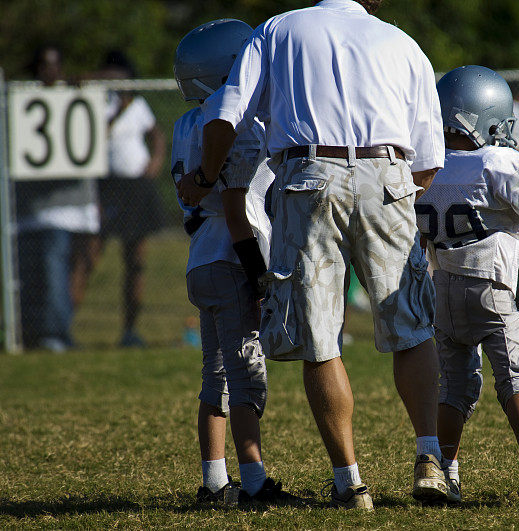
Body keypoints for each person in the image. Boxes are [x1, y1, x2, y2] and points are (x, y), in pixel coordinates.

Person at [177, 0, 447, 510]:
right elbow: (429, 162)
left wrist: (207, 177)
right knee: (412, 327)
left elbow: (223, 114)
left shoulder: (279, 28)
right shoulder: (403, 42)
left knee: (320, 339)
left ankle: (350, 483)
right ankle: (429, 458)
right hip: (390, 171)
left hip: (309, 176)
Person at [416, 65, 519, 502]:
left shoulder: (423, 167)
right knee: (514, 376)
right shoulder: (498, 161)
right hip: (491, 290)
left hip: (442, 291)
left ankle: (446, 472)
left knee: (455, 387)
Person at [172, 19, 295, 506]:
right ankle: (254, 482)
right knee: (247, 377)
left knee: (215, 377)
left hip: (200, 257)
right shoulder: (234, 127)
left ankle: (214, 480)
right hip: (230, 256)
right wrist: (258, 274)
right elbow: (237, 209)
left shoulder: (185, 123)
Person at [16, 45, 101, 352]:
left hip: (75, 205)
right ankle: (44, 334)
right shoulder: (21, 99)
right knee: (42, 276)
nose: (48, 72)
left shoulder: (78, 95)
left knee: (68, 271)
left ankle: (56, 332)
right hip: (39, 209)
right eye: (42, 65)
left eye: (54, 65)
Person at [95, 50, 166, 347]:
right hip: (107, 186)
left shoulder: (138, 105)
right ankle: (60, 328)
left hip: (136, 187)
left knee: (135, 260)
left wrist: (155, 162)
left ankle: (130, 329)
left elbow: (156, 135)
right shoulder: (98, 104)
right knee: (89, 254)